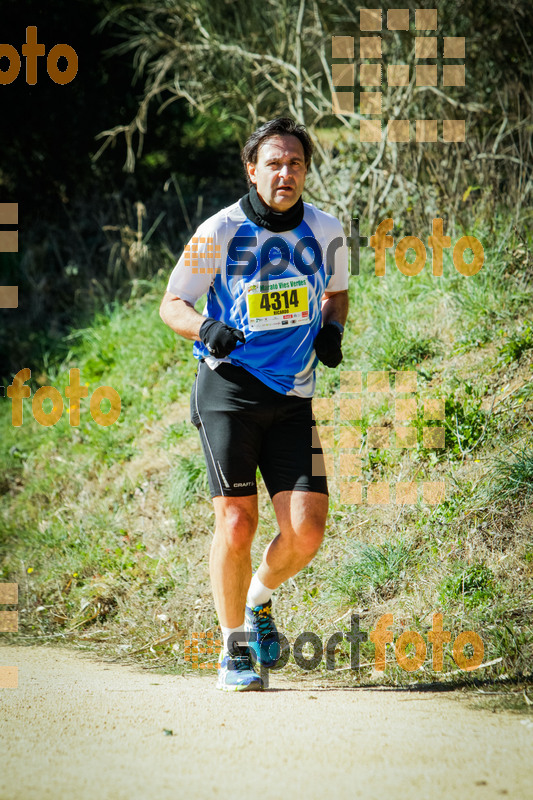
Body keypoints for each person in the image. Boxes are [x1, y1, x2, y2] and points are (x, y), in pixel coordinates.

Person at [159, 117, 349, 691]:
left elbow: (336, 295)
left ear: (306, 171)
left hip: (292, 397)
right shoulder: (219, 231)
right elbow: (172, 304)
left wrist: (332, 331)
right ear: (252, 170)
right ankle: (233, 649)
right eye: (273, 163)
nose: (285, 173)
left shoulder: (326, 229)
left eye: (295, 163)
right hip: (229, 391)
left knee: (307, 530)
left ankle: (257, 601)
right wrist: (205, 327)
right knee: (237, 522)